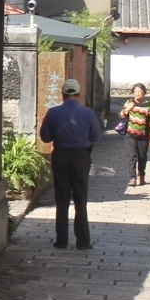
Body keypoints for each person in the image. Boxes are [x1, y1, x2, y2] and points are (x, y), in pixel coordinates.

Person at [39, 77, 103, 250]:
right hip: (81, 157)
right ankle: (82, 240)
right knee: (81, 199)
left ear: (62, 94)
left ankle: (62, 240)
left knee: (62, 199)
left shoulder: (53, 113)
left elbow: (45, 136)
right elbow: (96, 137)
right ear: (79, 94)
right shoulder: (88, 113)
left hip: (60, 156)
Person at [120, 83, 150, 186]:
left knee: (142, 156)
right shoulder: (129, 102)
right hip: (130, 134)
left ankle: (141, 176)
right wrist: (127, 109)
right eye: (135, 91)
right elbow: (121, 115)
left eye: (140, 91)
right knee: (131, 156)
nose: (137, 93)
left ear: (144, 92)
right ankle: (132, 178)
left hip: (143, 136)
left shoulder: (148, 106)